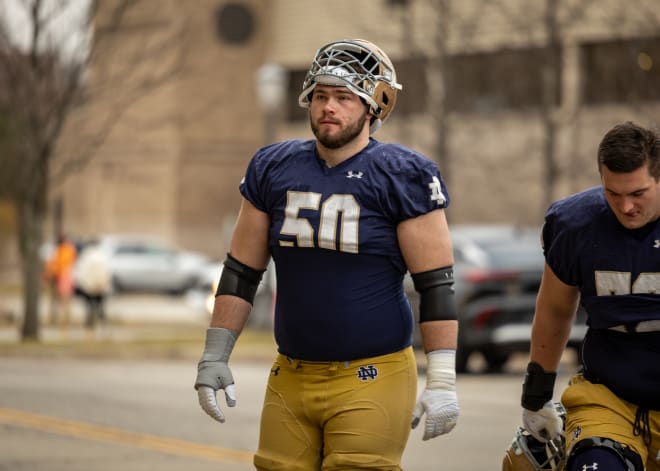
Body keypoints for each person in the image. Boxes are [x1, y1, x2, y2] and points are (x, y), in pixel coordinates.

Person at [194, 39, 459, 470]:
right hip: (292, 373)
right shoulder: (274, 166)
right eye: (320, 95)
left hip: (372, 374)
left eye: (343, 97)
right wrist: (214, 354)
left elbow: (436, 285)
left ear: (374, 105)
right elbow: (241, 271)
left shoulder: (402, 173)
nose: (327, 107)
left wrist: (443, 377)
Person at [515, 121, 660, 471]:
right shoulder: (576, 224)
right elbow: (554, 310)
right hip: (609, 393)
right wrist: (536, 396)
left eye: (638, 193)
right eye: (613, 193)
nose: (626, 207)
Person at [75, 242, 112, 329]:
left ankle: (90, 323)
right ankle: (103, 323)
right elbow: (108, 272)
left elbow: (81, 272)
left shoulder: (86, 257)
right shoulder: (103, 256)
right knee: (100, 306)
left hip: (89, 286)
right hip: (101, 285)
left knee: (89, 306)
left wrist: (83, 284)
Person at [44, 234, 77, 326]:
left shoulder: (62, 250)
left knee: (61, 299)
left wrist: (48, 274)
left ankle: (62, 319)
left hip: (61, 276)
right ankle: (63, 319)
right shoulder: (68, 250)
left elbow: (53, 265)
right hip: (63, 276)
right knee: (63, 300)